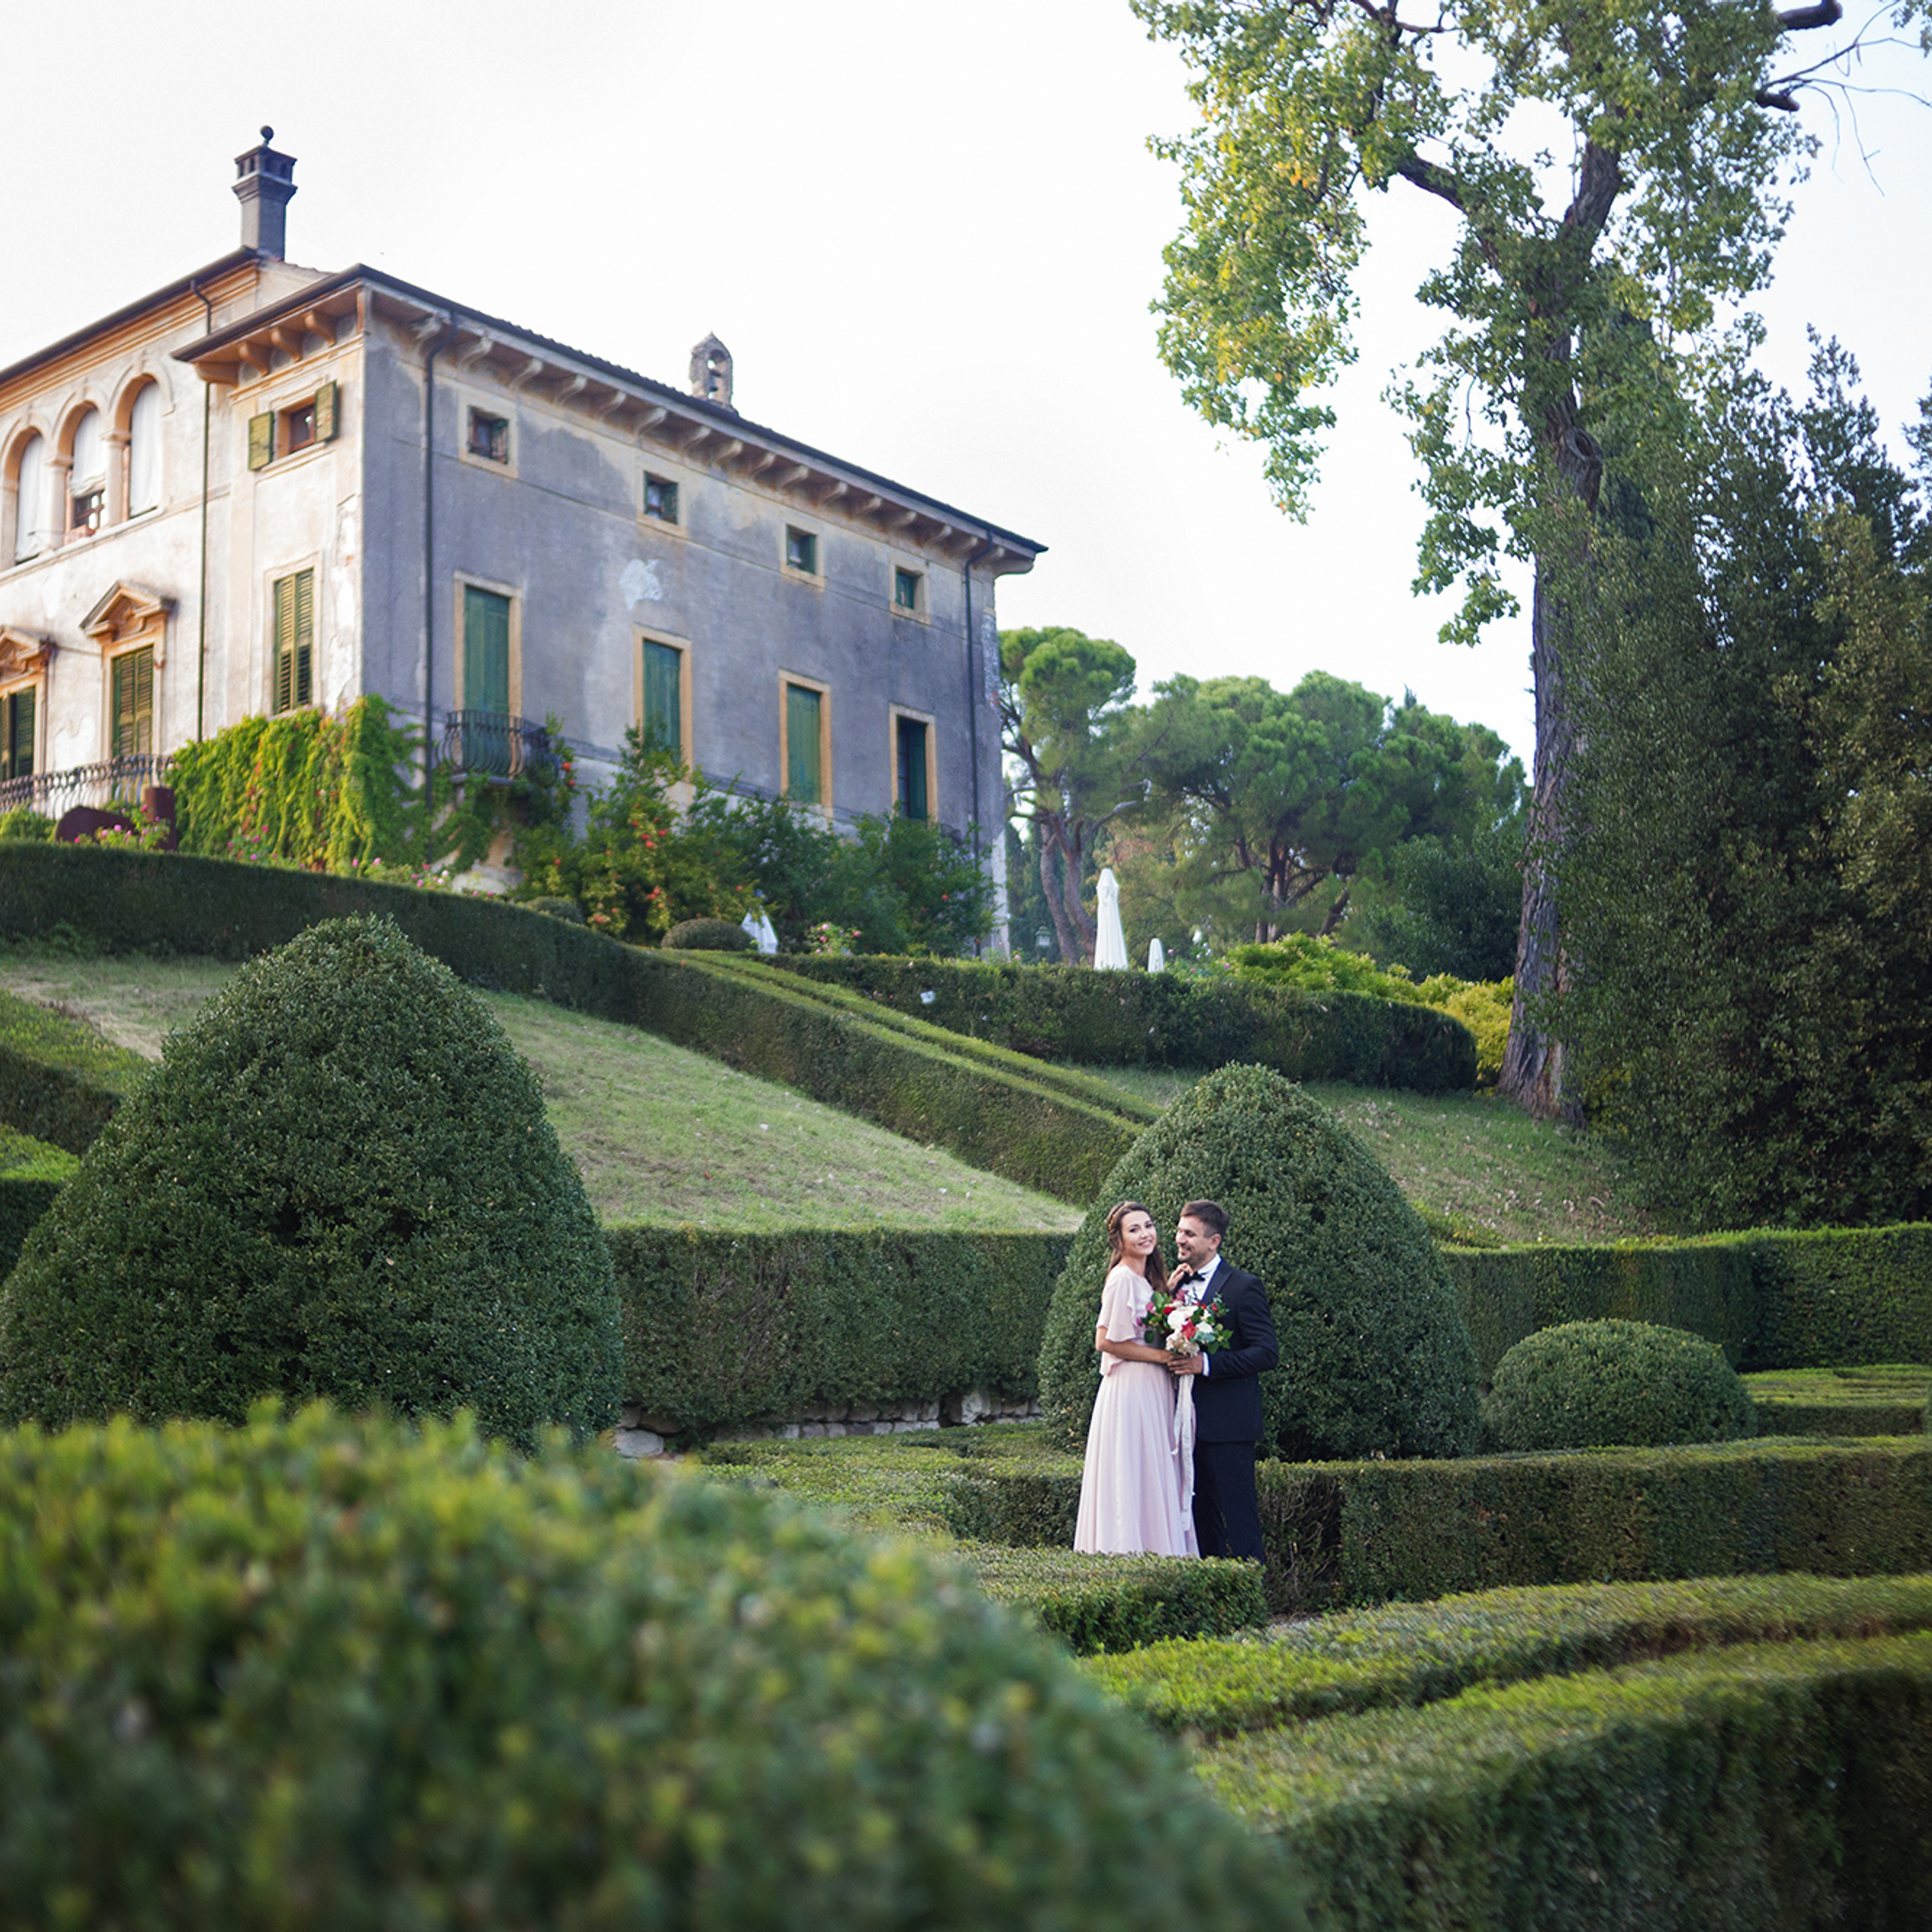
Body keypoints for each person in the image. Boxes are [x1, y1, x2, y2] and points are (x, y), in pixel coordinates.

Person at [1073, 1200, 1198, 1557]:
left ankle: (1156, 1550)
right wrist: (1163, 1356)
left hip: (1153, 1387)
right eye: (1134, 1229)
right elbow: (1105, 1340)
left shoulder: (1144, 1279)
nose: (1145, 1234)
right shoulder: (1122, 1278)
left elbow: (1143, 1327)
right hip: (1131, 1387)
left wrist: (1168, 1299)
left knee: (1150, 1471)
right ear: (1119, 1239)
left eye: (1148, 1225)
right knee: (1133, 1469)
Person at [1166, 1198, 1278, 1561]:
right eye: (1180, 1231)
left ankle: (1253, 1603)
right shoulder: (1175, 1285)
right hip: (1183, 1423)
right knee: (1197, 1523)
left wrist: (1207, 1365)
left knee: (1240, 1519)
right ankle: (1210, 1604)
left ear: (1214, 1241)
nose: (1180, 1240)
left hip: (1229, 1426)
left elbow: (1266, 1352)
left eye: (1189, 1234)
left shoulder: (1244, 1287)